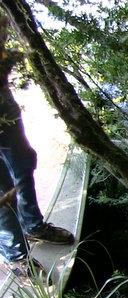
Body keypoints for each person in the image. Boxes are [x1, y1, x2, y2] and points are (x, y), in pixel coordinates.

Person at [0, 17, 74, 279]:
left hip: (4, 110)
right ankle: (17, 256)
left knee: (24, 163)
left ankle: (33, 225)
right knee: (2, 192)